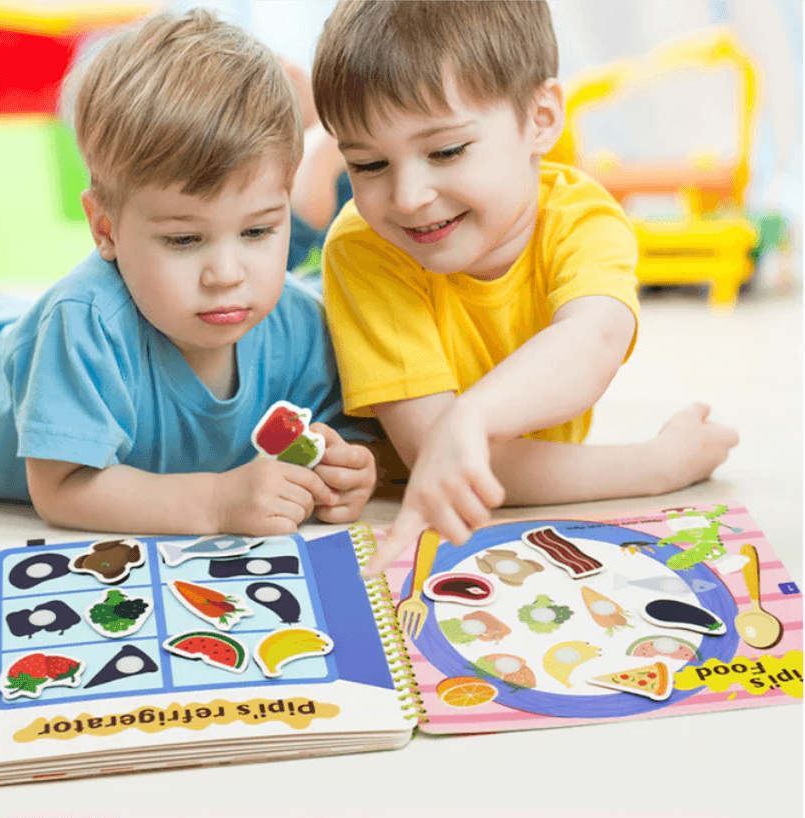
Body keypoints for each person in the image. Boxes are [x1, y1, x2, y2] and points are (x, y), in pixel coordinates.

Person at [311, 0, 739, 575]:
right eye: (367, 165)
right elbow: (443, 458)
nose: (408, 196)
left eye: (446, 151)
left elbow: (590, 343)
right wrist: (656, 465)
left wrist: (470, 417)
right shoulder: (365, 247)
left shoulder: (582, 218)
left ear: (540, 119)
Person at [0, 8, 376, 536]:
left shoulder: (302, 326)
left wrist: (341, 467)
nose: (226, 274)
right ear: (105, 229)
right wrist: (216, 503)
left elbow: (337, 434)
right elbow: (62, 488)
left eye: (258, 232)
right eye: (184, 240)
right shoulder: (83, 326)